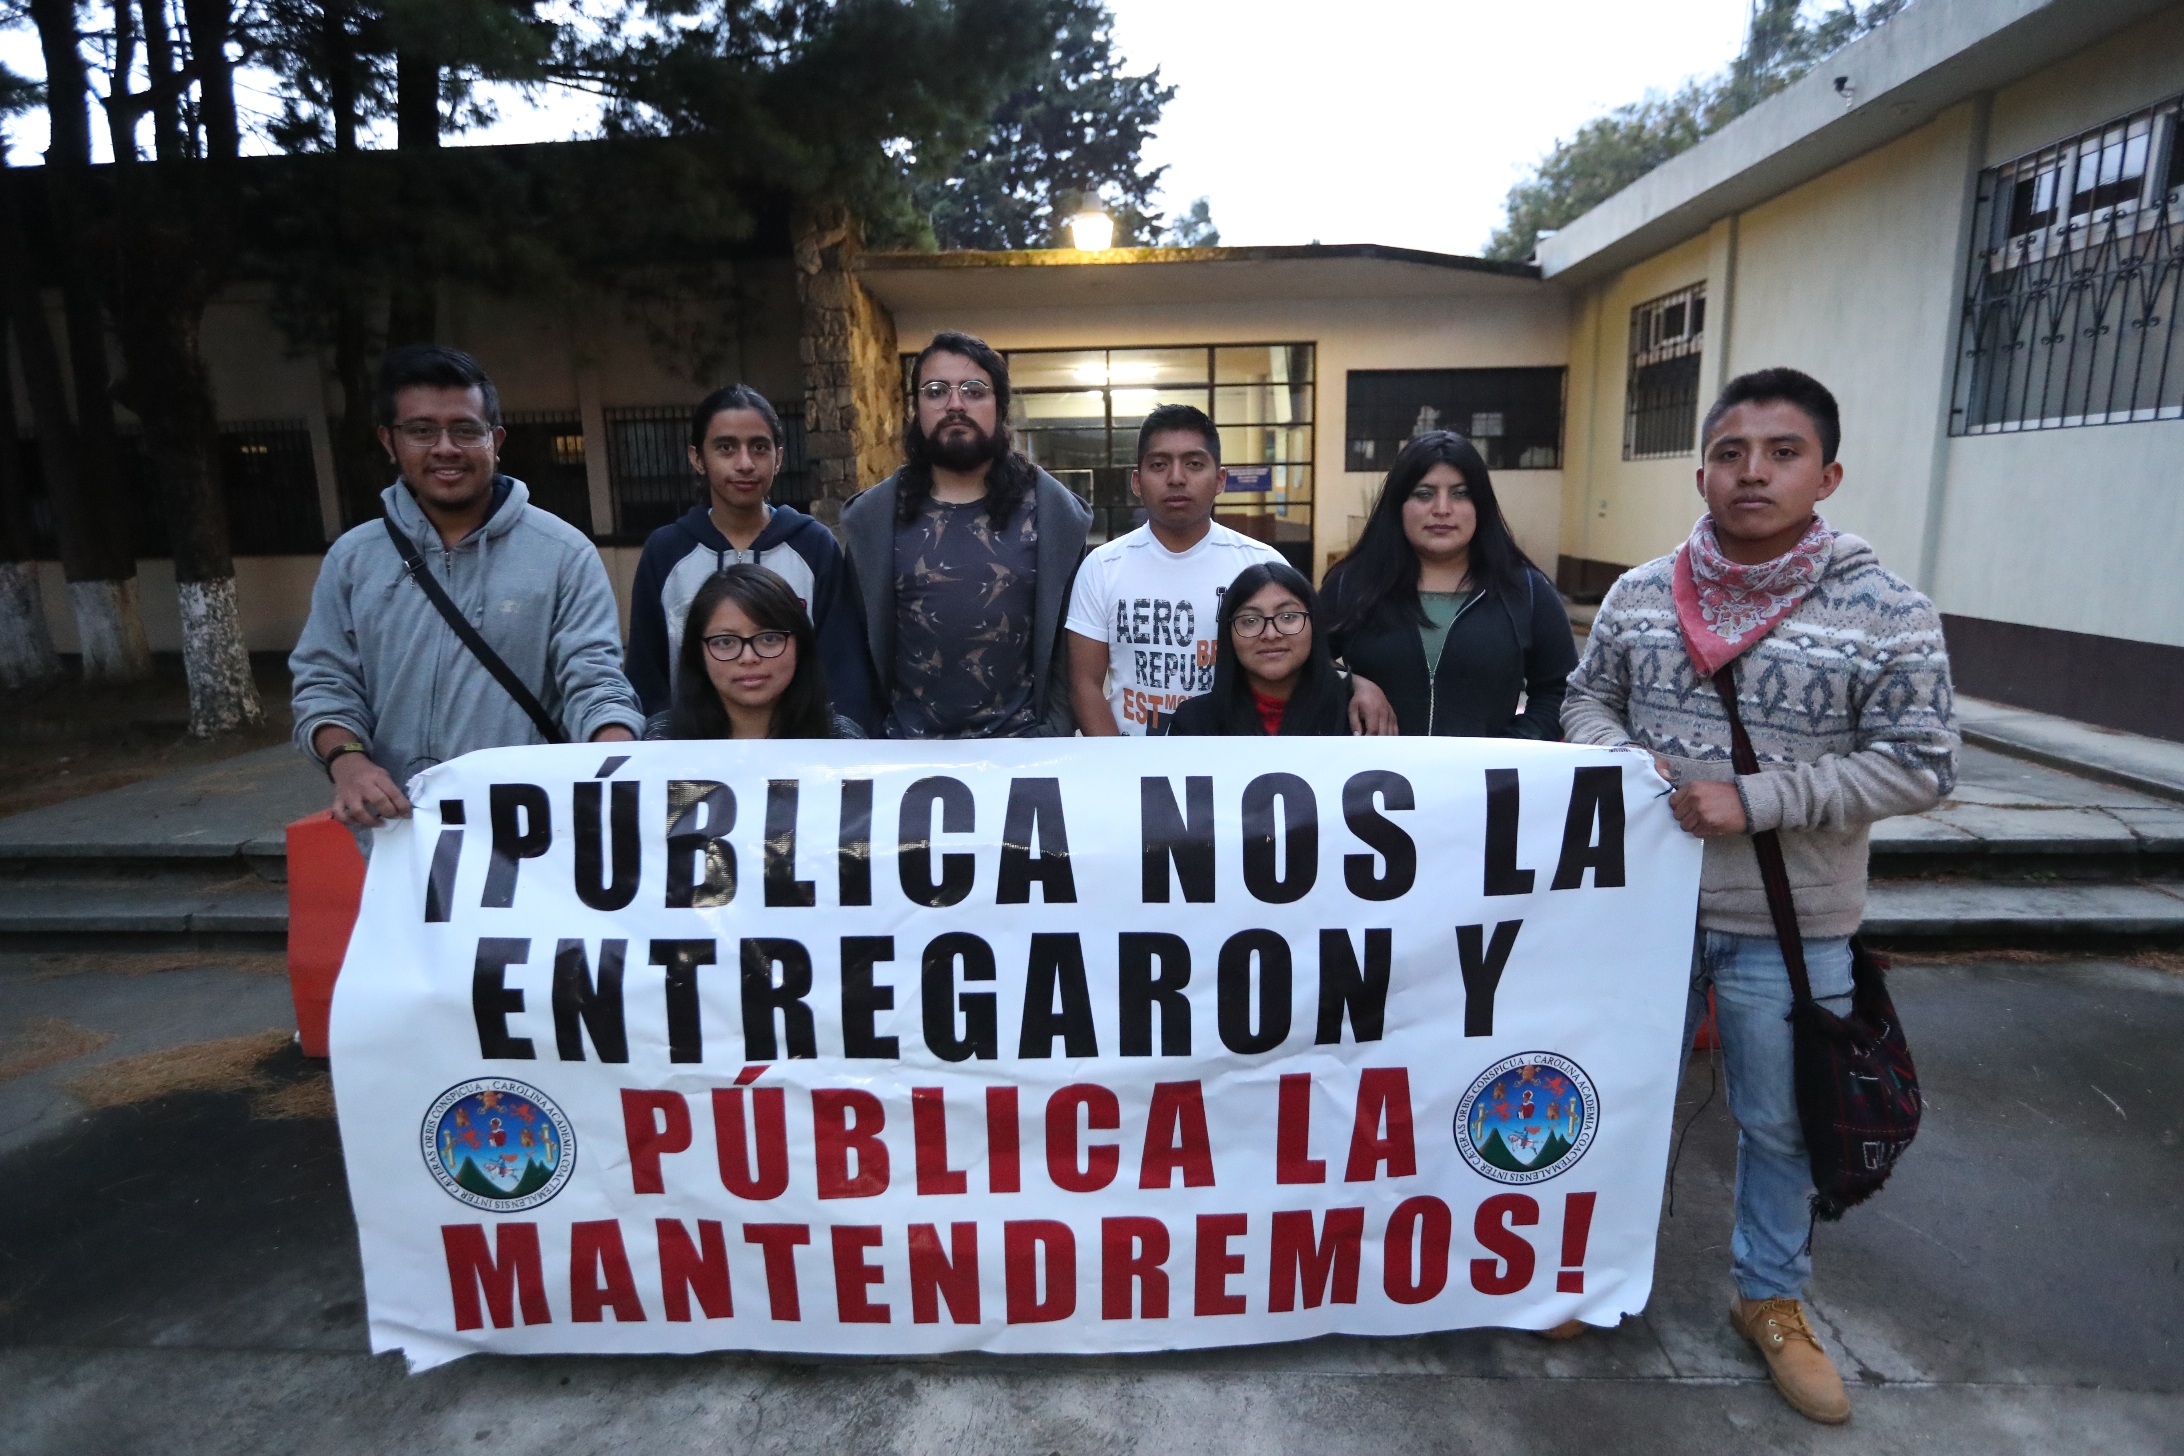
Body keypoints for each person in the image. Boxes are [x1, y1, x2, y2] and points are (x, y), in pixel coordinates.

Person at [1562, 368, 1957, 1425]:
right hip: (1640, 911)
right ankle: (1592, 1274)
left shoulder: (1887, 610)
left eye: (1781, 453)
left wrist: (1760, 799)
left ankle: (1770, 1297)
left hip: (1789, 923)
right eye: (1733, 451)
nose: (1753, 471)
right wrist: (1619, 764)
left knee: (1778, 1123)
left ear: (1827, 473)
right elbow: (1585, 696)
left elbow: (1922, 765)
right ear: (1702, 469)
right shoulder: (1642, 594)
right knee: (1610, 1100)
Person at [291, 345, 642, 829]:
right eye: (420, 431)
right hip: (398, 835)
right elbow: (325, 682)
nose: (445, 448)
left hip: (532, 835)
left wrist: (617, 758)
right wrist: (348, 761)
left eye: (465, 429)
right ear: (389, 442)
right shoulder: (353, 560)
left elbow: (594, 680)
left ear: (495, 439)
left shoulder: (564, 553)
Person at [1067, 402, 1396, 735]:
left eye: (1194, 464)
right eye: (1159, 464)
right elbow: (1085, 685)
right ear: (1137, 482)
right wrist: (1120, 771)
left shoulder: (1260, 563)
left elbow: (1300, 653)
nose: (1176, 478)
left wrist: (1358, 685)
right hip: (1136, 771)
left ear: (1220, 479)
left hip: (1237, 770)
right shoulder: (1102, 567)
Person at [840, 331, 1090, 738]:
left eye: (974, 390)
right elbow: (854, 650)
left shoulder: (1053, 514)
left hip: (1021, 758)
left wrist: (1052, 735)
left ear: (1000, 406)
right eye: (936, 391)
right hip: (904, 760)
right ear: (917, 409)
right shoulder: (875, 520)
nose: (955, 403)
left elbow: (1070, 650)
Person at [626, 385, 873, 730]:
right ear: (697, 458)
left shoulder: (814, 546)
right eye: (726, 447)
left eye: (759, 448)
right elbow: (646, 673)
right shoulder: (666, 552)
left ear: (779, 458)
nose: (745, 463)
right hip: (692, 760)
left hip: (800, 755)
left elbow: (844, 670)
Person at [1320, 430, 1576, 738]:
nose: (1442, 509)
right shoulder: (1352, 583)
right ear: (1398, 504)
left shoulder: (1528, 592)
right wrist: (1353, 683)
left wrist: (1508, 753)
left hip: (1488, 782)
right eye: (1424, 493)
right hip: (1376, 781)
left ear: (1481, 506)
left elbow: (1559, 691)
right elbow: (1302, 663)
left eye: (1460, 494)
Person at [643, 565, 863, 740]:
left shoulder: (841, 741)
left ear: (800, 644)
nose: (748, 658)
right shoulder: (661, 741)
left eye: (769, 639)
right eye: (725, 642)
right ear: (698, 651)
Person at [1160, 561, 1353, 736]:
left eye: (1288, 617)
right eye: (1250, 620)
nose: (1270, 634)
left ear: (1314, 622)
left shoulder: (1357, 713)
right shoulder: (1194, 722)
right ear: (1229, 633)